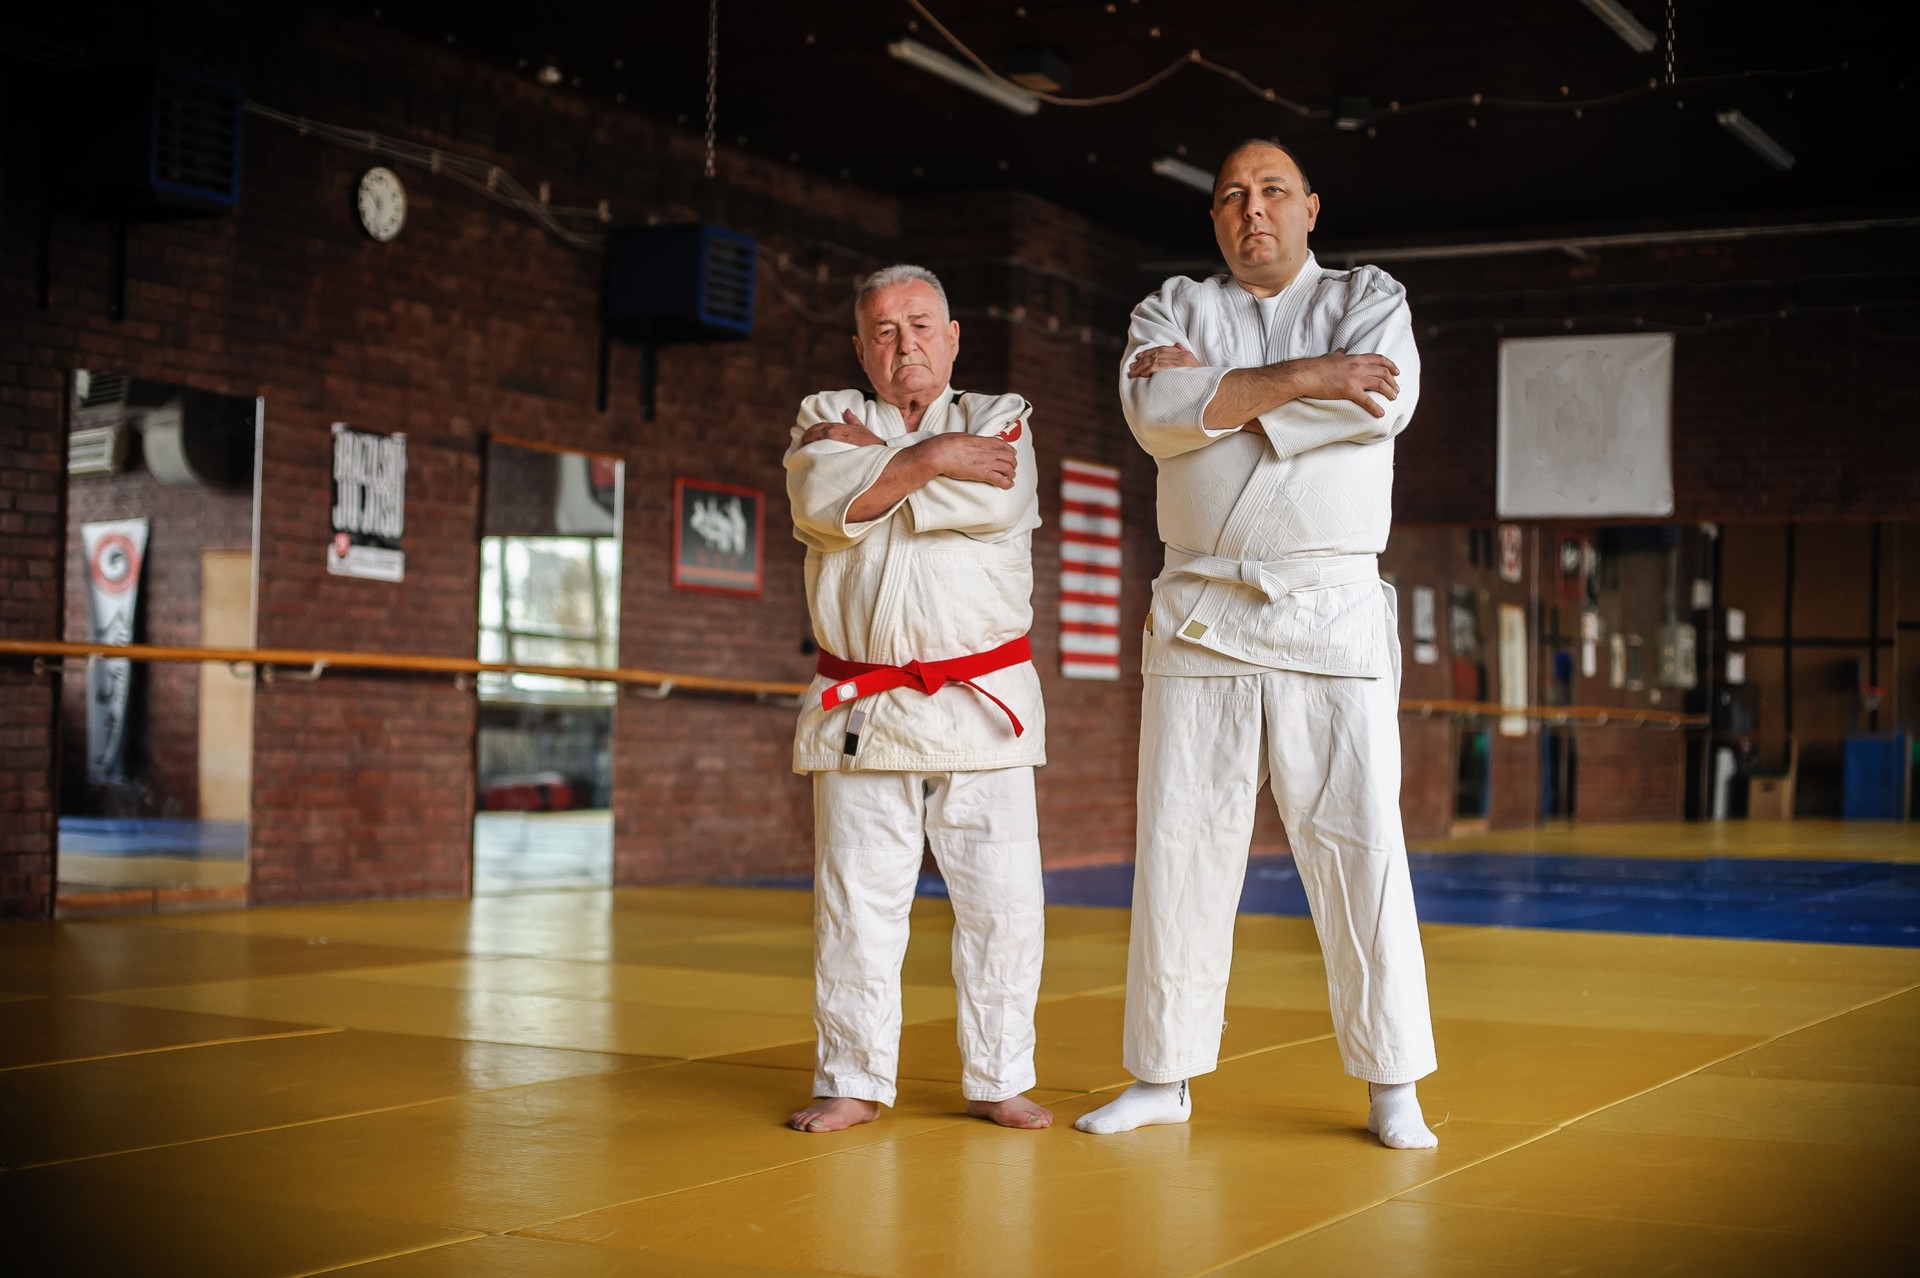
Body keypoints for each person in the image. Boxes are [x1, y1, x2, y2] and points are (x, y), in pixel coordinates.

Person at [1074, 140, 1439, 1149]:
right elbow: (1154, 412)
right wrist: (1308, 379)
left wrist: (1230, 401)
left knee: (1360, 843)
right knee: (1180, 845)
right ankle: (1160, 1075)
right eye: (1232, 196)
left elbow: (1384, 399)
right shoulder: (1170, 310)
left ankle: (1394, 1085)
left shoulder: (1372, 298)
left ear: (1311, 207)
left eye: (1273, 191)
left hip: (1328, 602)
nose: (1252, 210)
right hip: (1200, 609)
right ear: (1215, 220)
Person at [784, 264, 1052, 1133]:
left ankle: (999, 1075)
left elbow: (997, 492)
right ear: (860, 347)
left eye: (922, 325)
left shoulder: (1002, 416)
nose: (905, 344)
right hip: (868, 708)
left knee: (1003, 906)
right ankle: (852, 1078)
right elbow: (826, 501)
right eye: (885, 330)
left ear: (955, 334)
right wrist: (935, 457)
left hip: (983, 702)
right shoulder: (822, 417)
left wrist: (885, 476)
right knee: (856, 905)